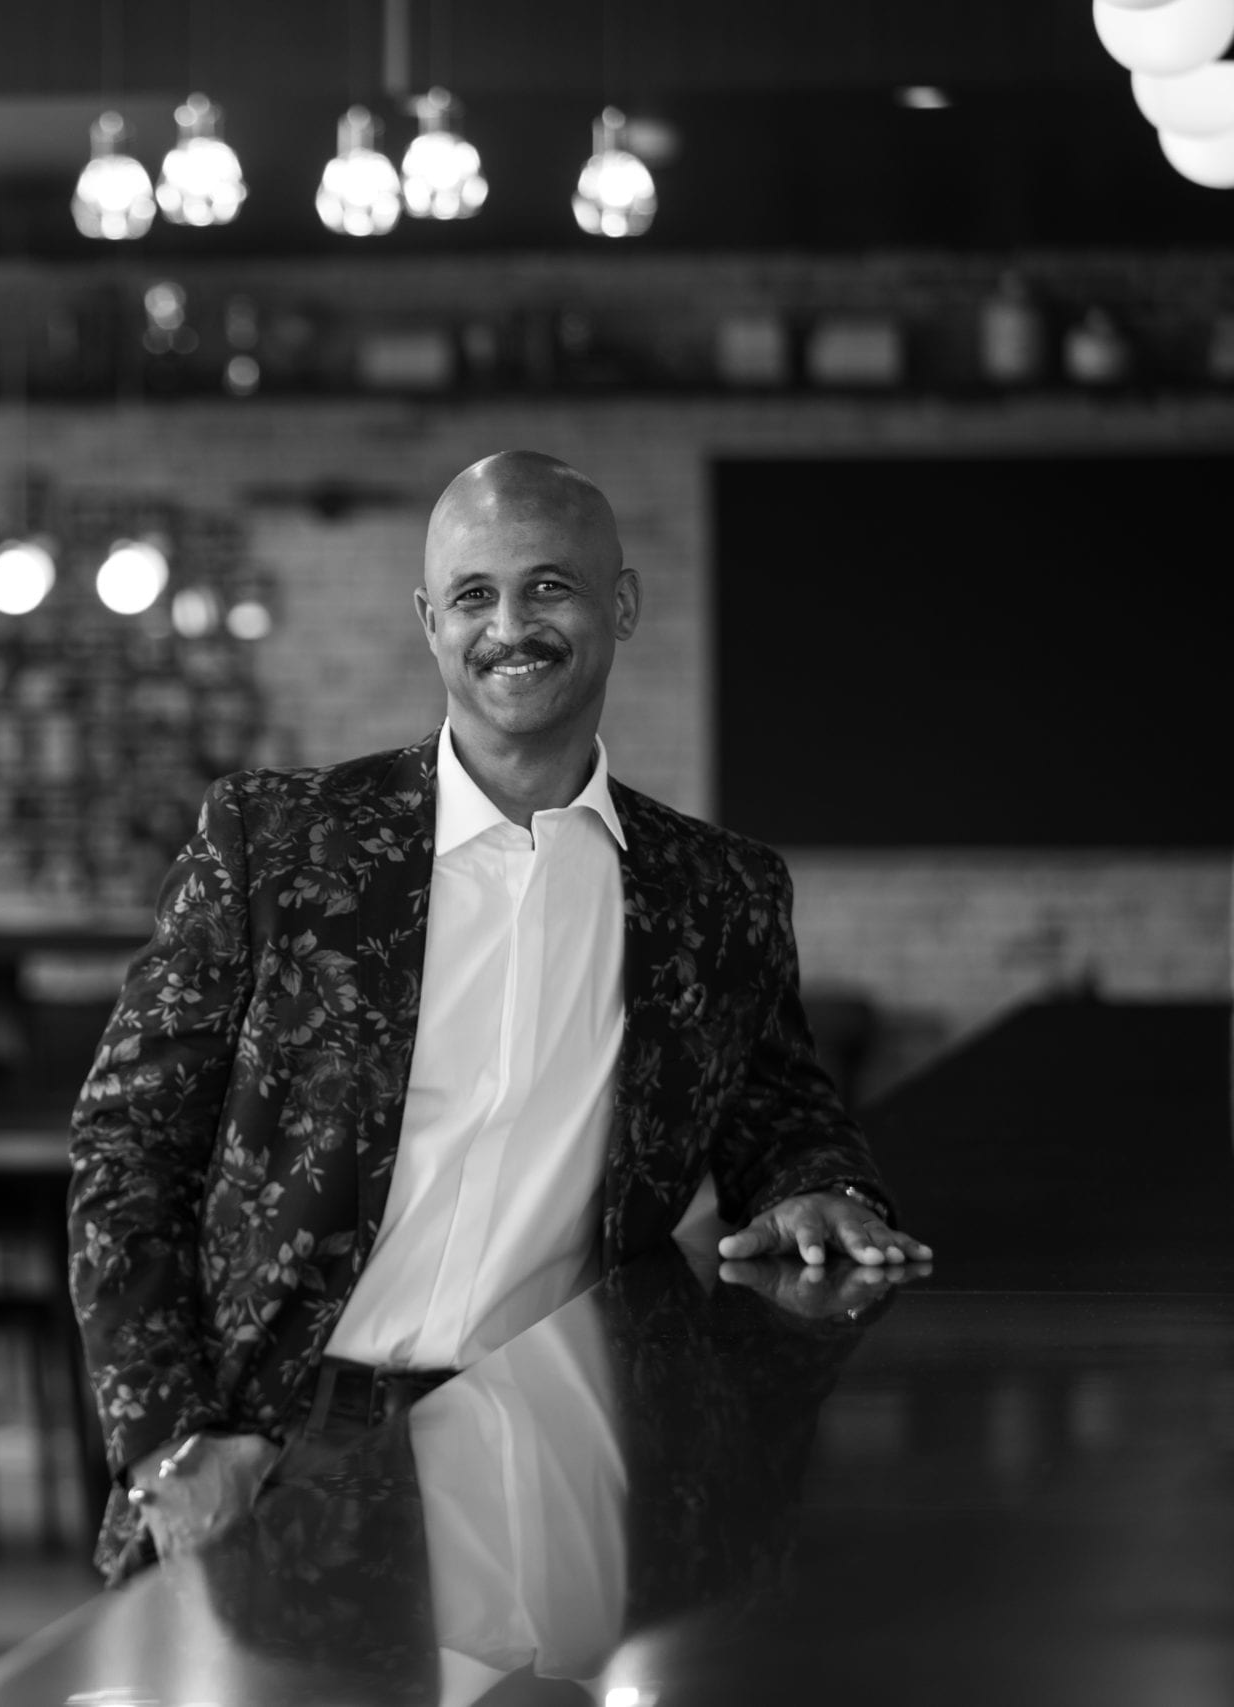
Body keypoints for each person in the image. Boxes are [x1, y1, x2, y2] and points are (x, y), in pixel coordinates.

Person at [67, 450, 930, 1580]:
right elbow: (125, 1148)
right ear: (430, 622)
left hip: (563, 1450)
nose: (508, 625)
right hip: (282, 1449)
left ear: (619, 603)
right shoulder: (279, 846)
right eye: (472, 596)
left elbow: (779, 1107)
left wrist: (817, 1183)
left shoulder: (717, 894)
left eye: (548, 586)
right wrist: (171, 1447)